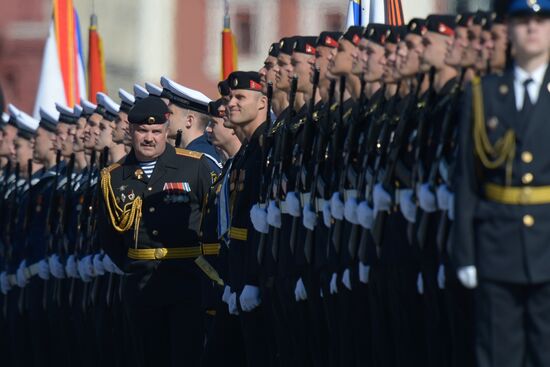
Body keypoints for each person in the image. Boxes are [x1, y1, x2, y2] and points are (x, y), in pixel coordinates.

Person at [454, 1, 550, 366]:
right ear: (509, 29)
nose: (532, 28)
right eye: (523, 20)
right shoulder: (485, 94)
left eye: (541, 20)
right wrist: (465, 252)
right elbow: (468, 178)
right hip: (498, 245)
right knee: (498, 354)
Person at [98, 95, 215, 367]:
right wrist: (136, 264)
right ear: (130, 131)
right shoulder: (114, 177)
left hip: (188, 282)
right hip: (141, 288)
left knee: (188, 357)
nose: (149, 138)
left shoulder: (194, 166)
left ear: (166, 131)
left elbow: (211, 222)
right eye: (142, 131)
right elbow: (108, 238)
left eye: (156, 131)